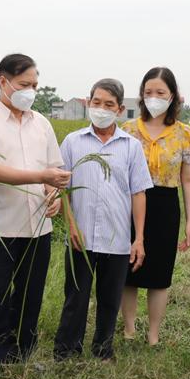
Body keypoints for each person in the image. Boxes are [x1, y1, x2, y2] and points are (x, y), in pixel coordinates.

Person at [0, 54, 71, 369]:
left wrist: (55, 195)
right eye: (25, 84)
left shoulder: (42, 123)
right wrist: (42, 178)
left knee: (30, 295)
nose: (31, 91)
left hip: (37, 226)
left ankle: (22, 355)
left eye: (35, 85)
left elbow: (56, 170)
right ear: (3, 82)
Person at [53, 78, 153, 361]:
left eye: (108, 104)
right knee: (76, 296)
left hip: (117, 237)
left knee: (110, 299)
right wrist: (71, 225)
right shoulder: (73, 142)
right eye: (96, 102)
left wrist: (139, 238)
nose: (101, 109)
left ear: (120, 109)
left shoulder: (131, 147)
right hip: (80, 237)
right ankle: (66, 350)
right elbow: (63, 189)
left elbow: (138, 193)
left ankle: (103, 349)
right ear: (89, 103)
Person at [120, 67, 190, 345]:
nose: (154, 97)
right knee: (128, 270)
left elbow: (189, 180)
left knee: (160, 274)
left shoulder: (184, 134)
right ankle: (129, 330)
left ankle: (153, 335)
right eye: (148, 92)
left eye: (160, 92)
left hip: (166, 205)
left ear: (173, 96)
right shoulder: (128, 130)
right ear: (141, 96)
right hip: (131, 202)